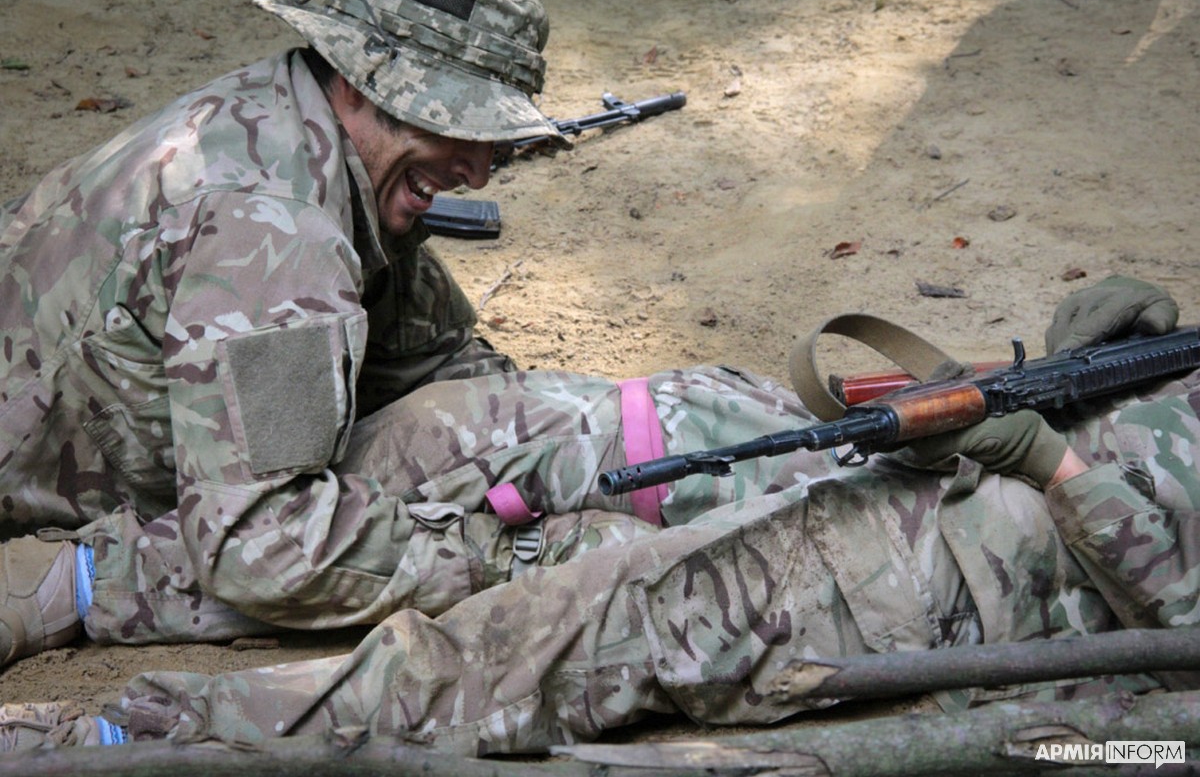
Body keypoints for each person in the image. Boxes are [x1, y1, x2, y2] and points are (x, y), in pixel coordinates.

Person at [1, 275, 1194, 753]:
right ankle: (77, 589)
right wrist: (1105, 361)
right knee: (447, 481)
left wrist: (1057, 465)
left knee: (500, 654)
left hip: (914, 590)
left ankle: (118, 743)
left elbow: (1177, 624)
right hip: (874, 489)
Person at [0, 0, 718, 673]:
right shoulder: (276, 233)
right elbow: (263, 550)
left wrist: (580, 447)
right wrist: (519, 554)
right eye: (456, 120)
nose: (478, 173)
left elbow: (441, 361)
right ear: (358, 80)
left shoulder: (296, 120)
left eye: (491, 137)